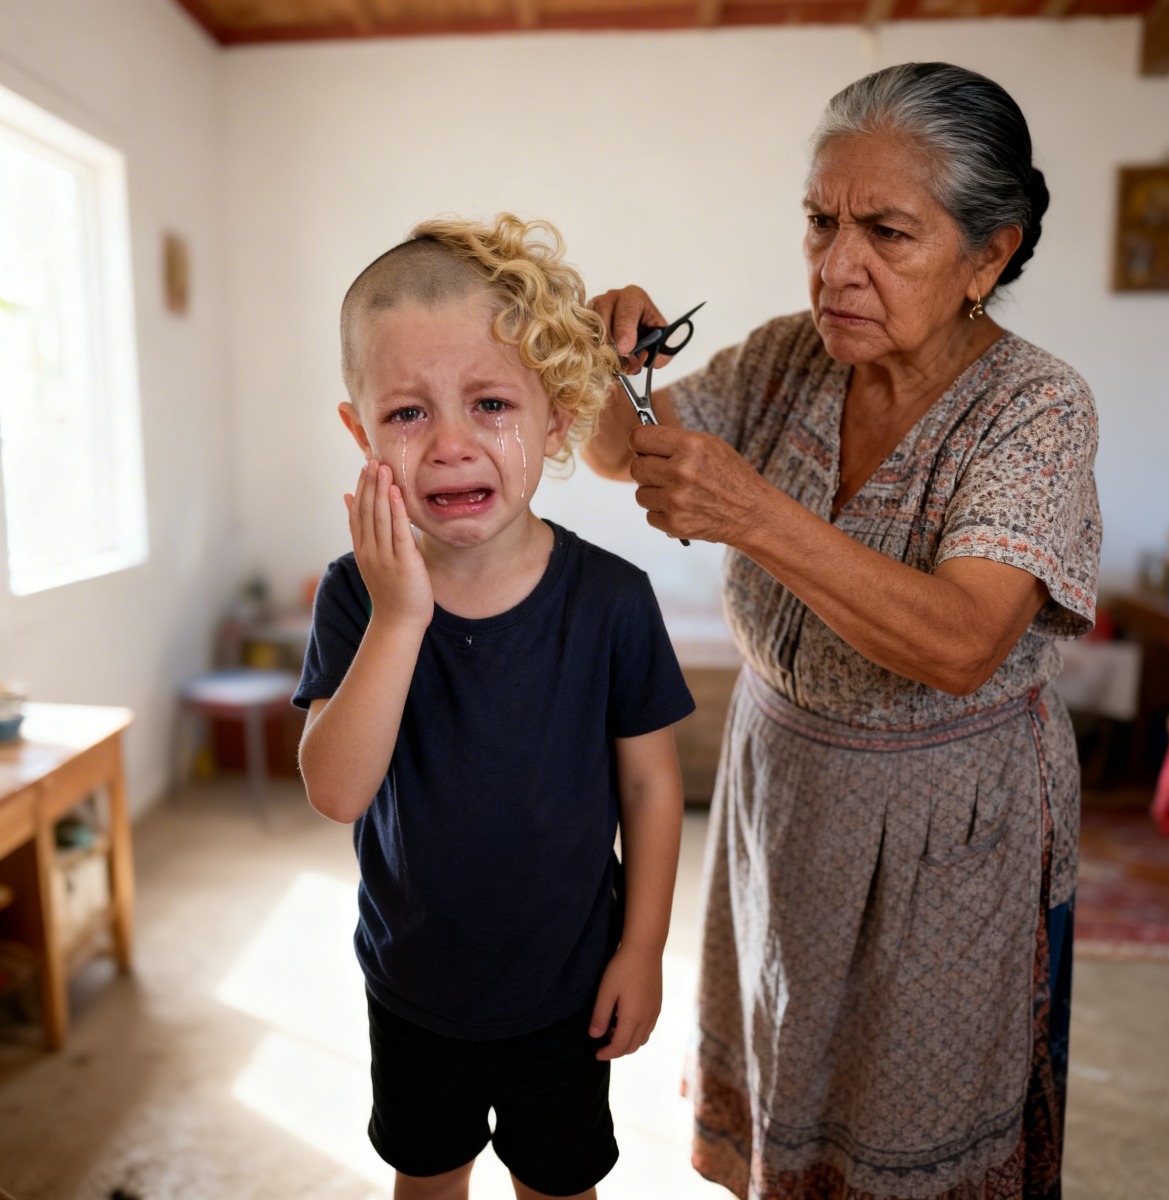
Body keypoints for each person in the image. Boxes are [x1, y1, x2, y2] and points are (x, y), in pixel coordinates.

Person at [584, 62, 1100, 1200]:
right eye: (820, 220)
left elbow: (965, 640)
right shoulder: (785, 357)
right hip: (784, 798)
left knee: (921, 1127)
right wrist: (608, 374)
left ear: (990, 255)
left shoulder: (1035, 408)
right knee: (790, 1076)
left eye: (887, 232)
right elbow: (622, 450)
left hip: (945, 831)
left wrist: (755, 516)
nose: (835, 265)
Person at [294, 213, 695, 1200]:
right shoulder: (356, 595)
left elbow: (650, 790)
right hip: (414, 991)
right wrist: (399, 619)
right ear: (359, 430)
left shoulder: (611, 600)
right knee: (427, 1180)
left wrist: (641, 950)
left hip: (567, 989)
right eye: (407, 414)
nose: (451, 446)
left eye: (489, 403)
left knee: (559, 1186)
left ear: (557, 416)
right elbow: (337, 793)